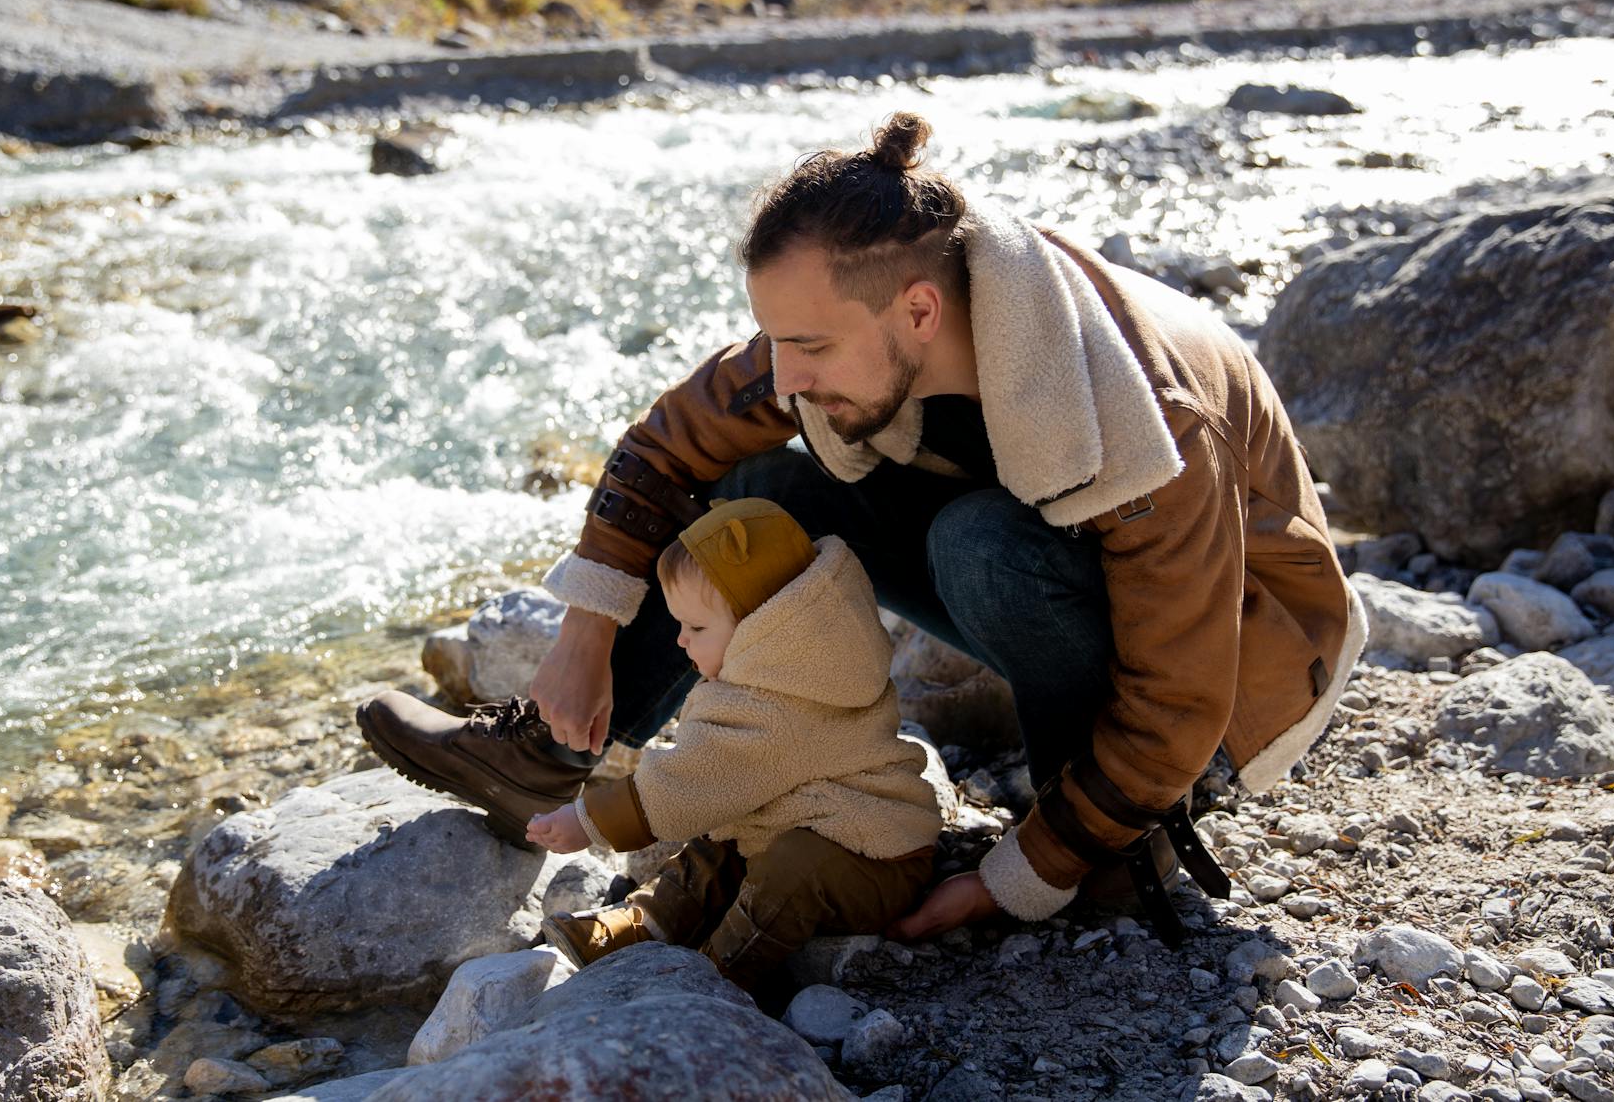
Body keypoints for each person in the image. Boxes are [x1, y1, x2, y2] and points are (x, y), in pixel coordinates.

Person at [357, 109, 1367, 942]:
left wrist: (1022, 872)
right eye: (774, 338)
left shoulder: (1148, 417)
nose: (784, 372)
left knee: (981, 546)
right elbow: (664, 447)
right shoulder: (870, 317)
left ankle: (1105, 837)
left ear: (918, 314)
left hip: (1234, 666)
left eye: (807, 344)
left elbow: (1183, 697)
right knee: (759, 477)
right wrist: (582, 638)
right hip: (1056, 569)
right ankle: (552, 756)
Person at [521, 497, 940, 991]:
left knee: (791, 867)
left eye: (696, 627)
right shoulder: (793, 665)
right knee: (718, 842)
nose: (680, 641)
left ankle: (717, 973)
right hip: (812, 819)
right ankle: (649, 922)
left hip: (875, 862)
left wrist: (586, 821)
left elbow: (689, 780)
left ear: (765, 628)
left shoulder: (784, 702)